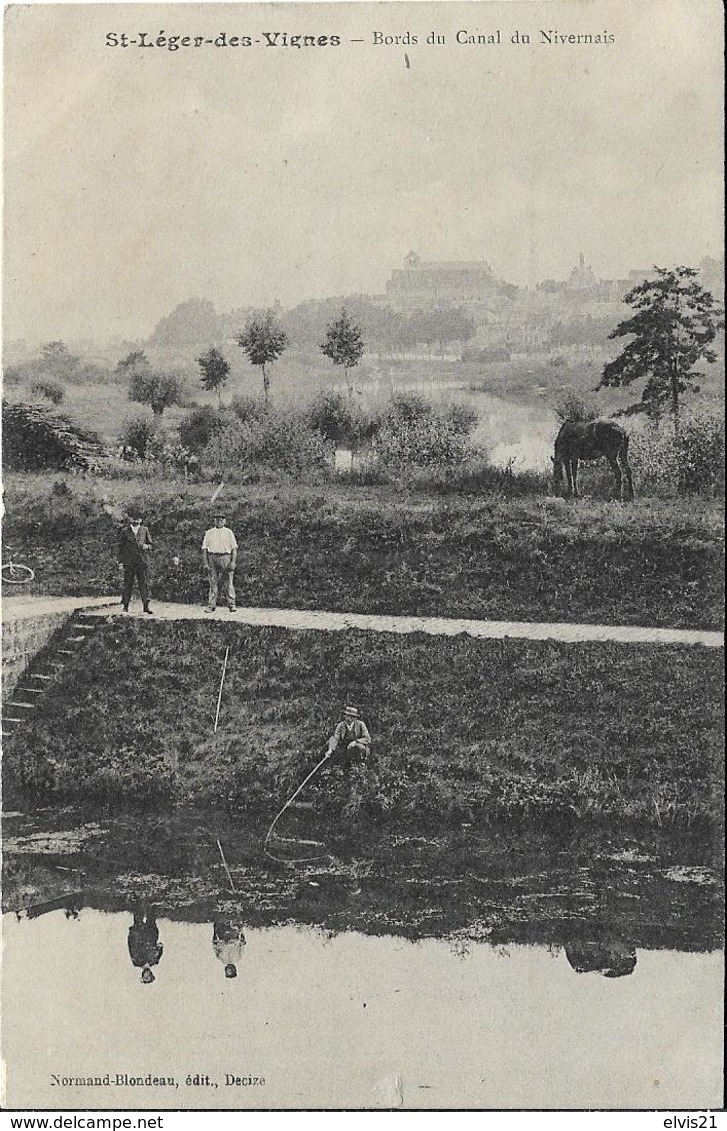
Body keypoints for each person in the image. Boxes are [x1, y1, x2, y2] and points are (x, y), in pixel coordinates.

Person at [202, 512, 238, 612]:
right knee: (213, 582)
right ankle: (211, 605)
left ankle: (231, 604)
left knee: (228, 582)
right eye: (217, 519)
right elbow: (204, 548)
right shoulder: (209, 532)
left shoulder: (228, 532)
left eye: (221, 519)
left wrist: (233, 562)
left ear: (225, 521)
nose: (219, 521)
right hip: (212, 557)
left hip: (225, 557)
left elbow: (234, 549)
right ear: (214, 521)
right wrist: (205, 563)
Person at [118, 510, 153, 614]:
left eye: (138, 518)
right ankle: (125, 606)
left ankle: (146, 606)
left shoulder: (144, 530)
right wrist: (121, 562)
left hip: (142, 562)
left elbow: (150, 544)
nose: (136, 520)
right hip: (129, 563)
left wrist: (147, 546)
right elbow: (121, 549)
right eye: (133, 518)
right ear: (130, 519)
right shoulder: (125, 531)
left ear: (141, 520)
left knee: (144, 584)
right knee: (128, 584)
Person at [127, 910, 163, 984]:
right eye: (148, 977)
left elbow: (131, 947)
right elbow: (160, 948)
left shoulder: (136, 962)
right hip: (151, 935)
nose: (146, 975)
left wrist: (132, 934)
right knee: (152, 914)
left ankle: (137, 900)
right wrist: (160, 947)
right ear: (151, 974)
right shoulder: (155, 961)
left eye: (145, 977)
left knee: (138, 912)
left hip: (138, 934)